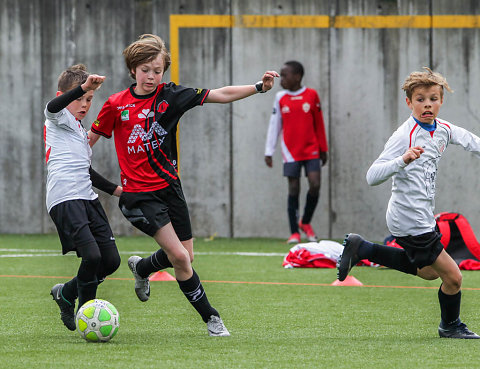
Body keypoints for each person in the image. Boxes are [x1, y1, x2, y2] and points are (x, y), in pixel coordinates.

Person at [88, 34, 279, 337]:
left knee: (186, 257)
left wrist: (258, 87)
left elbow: (220, 94)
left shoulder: (170, 97)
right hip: (139, 196)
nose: (151, 76)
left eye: (157, 70)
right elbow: (87, 145)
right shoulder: (115, 105)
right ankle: (212, 319)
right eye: (145, 69)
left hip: (170, 189)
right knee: (178, 257)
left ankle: (143, 268)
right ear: (132, 70)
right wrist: (101, 182)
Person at [337, 67, 480, 339]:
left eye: (433, 98)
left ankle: (363, 248)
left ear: (441, 101)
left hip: (422, 217)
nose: (427, 104)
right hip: (409, 218)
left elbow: (473, 142)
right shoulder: (405, 135)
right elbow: (371, 176)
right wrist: (402, 160)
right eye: (420, 99)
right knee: (454, 278)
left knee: (428, 273)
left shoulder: (444, 129)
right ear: (409, 102)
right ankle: (450, 326)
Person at [45, 64, 122, 331]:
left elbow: (86, 170)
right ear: (65, 94)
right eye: (79, 98)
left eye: (89, 99)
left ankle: (66, 293)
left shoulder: (79, 130)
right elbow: (53, 106)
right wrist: (83, 87)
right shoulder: (56, 118)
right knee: (92, 256)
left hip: (86, 197)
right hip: (65, 197)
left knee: (111, 260)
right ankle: (86, 317)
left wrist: (117, 190)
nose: (84, 103)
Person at [264, 61, 328, 244]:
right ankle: (294, 232)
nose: (282, 79)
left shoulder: (311, 95)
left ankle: (305, 222)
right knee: (293, 189)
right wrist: (269, 151)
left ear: (297, 77)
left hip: (312, 149)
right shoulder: (280, 97)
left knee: (315, 185)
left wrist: (324, 149)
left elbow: (319, 123)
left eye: (285, 76)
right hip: (290, 151)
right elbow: (274, 125)